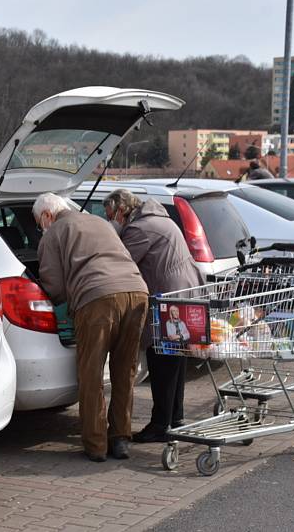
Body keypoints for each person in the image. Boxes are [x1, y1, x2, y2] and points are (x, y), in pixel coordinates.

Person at [33, 192, 148, 462]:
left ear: (48, 215)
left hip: (97, 299)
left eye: (39, 221)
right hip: (137, 292)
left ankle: (96, 445)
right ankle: (120, 439)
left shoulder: (53, 234)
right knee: (124, 371)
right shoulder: (100, 222)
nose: (41, 227)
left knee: (91, 373)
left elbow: (56, 287)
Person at [102, 189, 202, 443]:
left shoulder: (139, 229)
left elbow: (123, 264)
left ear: (121, 210)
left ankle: (160, 424)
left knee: (162, 360)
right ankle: (175, 417)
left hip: (168, 299)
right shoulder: (159, 218)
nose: (110, 219)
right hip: (184, 291)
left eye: (110, 214)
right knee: (175, 359)